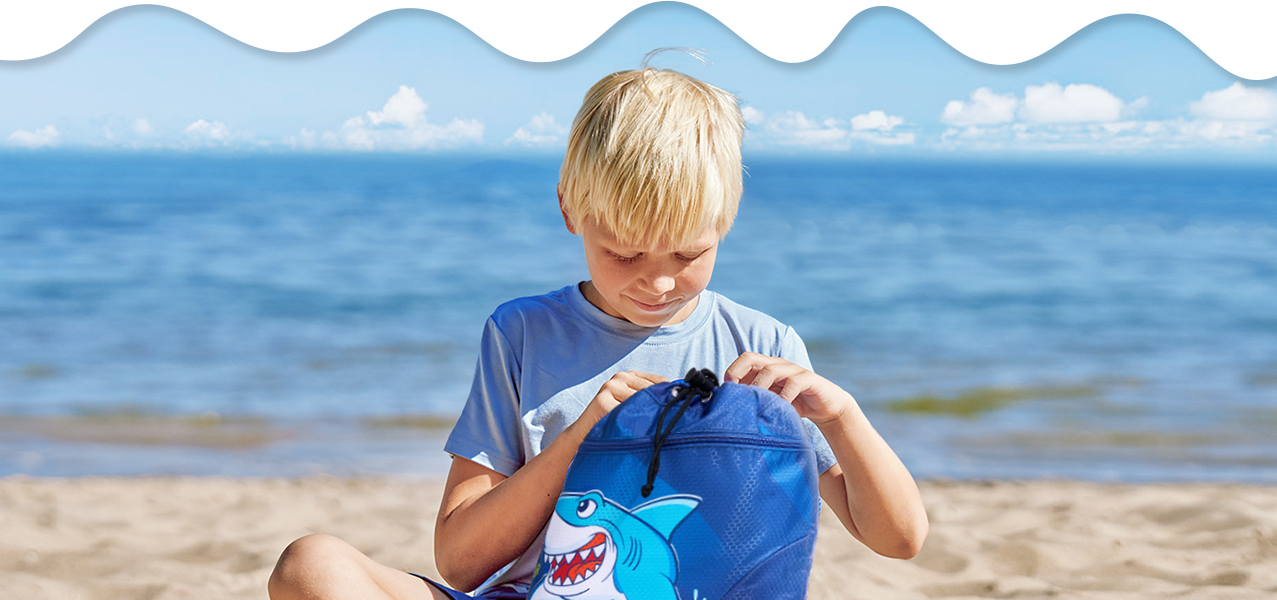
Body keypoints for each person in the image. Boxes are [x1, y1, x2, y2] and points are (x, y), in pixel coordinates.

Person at [268, 62, 928, 600]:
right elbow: (463, 563)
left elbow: (899, 540)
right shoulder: (522, 333)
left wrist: (841, 417)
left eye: (688, 254)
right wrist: (584, 435)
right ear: (570, 211)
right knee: (311, 564)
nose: (659, 282)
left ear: (726, 219)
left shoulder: (764, 347)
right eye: (626, 253)